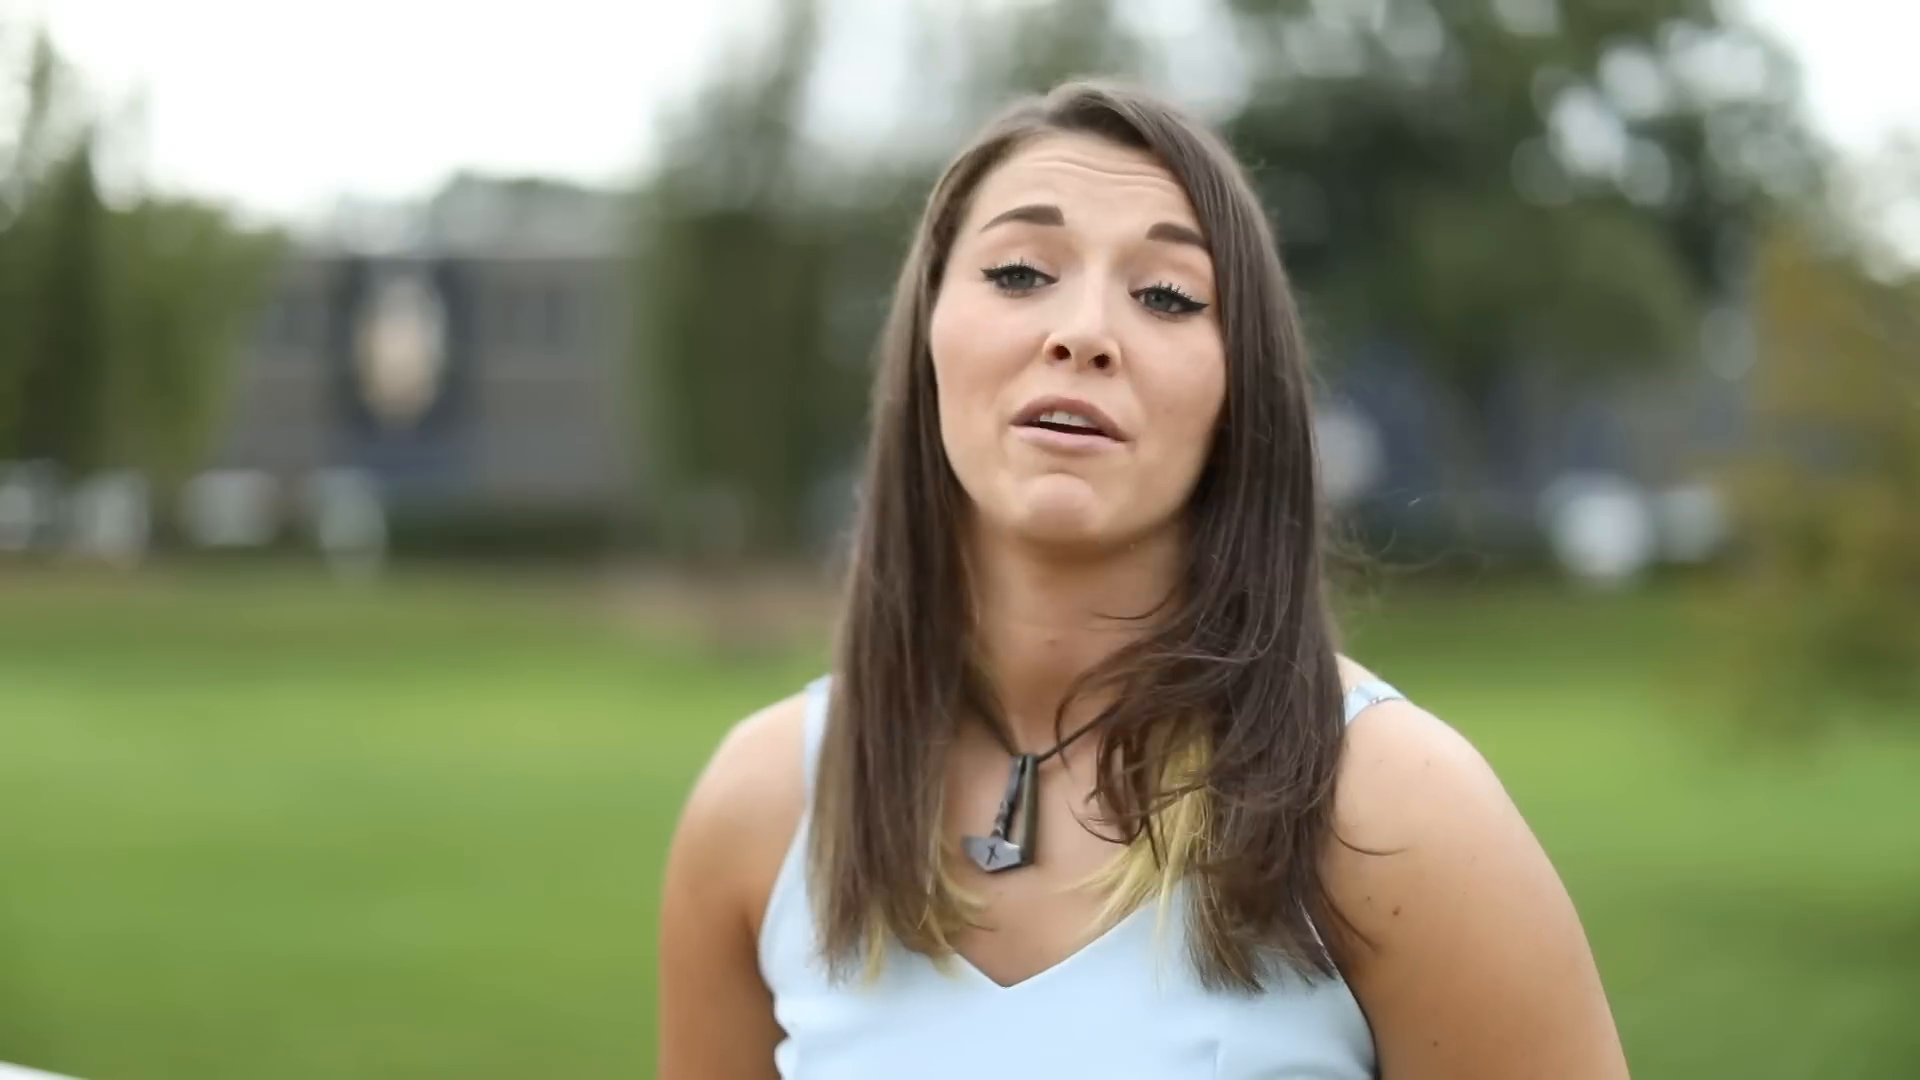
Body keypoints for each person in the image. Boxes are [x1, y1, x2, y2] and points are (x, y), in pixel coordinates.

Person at [658, 80, 1629, 1079]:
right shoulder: (762, 807)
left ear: (1239, 387)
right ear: (928, 336)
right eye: (1020, 272)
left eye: (1167, 295)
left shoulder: (1393, 810)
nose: (1083, 331)